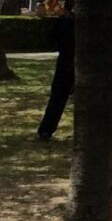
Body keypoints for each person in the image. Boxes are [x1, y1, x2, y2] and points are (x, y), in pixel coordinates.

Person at [37, 10, 74, 141]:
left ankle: (46, 130)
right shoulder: (87, 23)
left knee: (57, 98)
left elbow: (52, 39)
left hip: (64, 61)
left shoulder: (63, 21)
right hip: (80, 61)